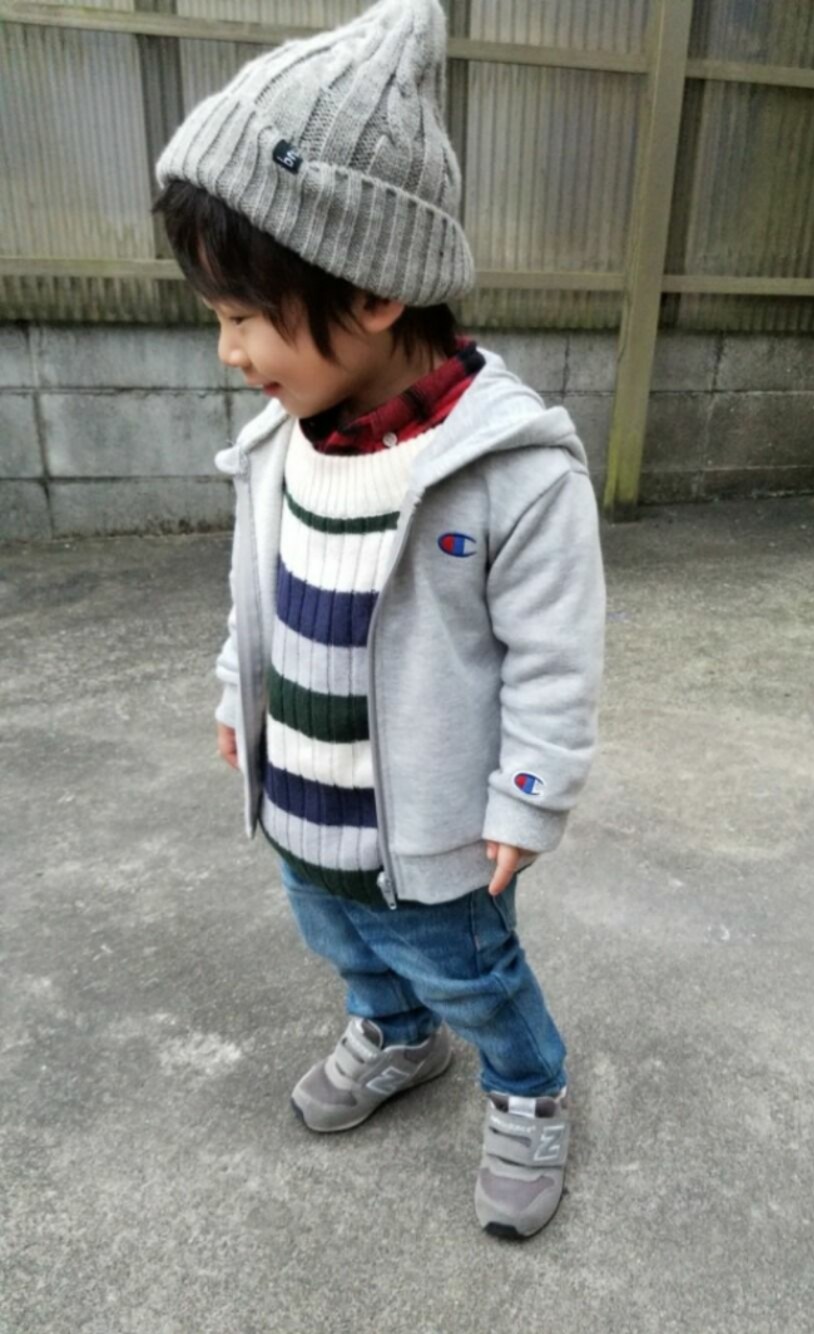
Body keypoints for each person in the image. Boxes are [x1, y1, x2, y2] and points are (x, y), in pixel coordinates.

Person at [153, 0, 605, 1240]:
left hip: (434, 824)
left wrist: (528, 795)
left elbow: (556, 656)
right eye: (218, 319)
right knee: (335, 927)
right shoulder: (286, 439)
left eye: (242, 315)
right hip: (308, 795)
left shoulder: (511, 470)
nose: (228, 351)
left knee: (472, 966)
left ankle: (528, 1084)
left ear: (369, 290)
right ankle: (395, 1031)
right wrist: (235, 685)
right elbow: (258, 582)